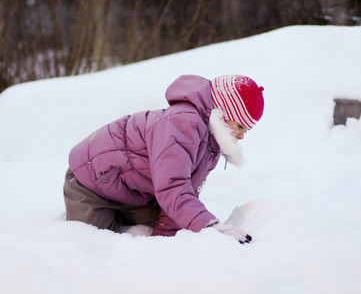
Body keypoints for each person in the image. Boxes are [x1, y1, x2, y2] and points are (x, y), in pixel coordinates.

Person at [63, 74, 264, 244]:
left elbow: (184, 191)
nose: (241, 136)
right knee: (99, 242)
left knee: (175, 226)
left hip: (132, 192)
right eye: (240, 126)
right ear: (224, 111)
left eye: (246, 130)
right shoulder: (182, 123)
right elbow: (172, 187)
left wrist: (164, 243)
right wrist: (209, 226)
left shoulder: (211, 145)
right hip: (91, 184)